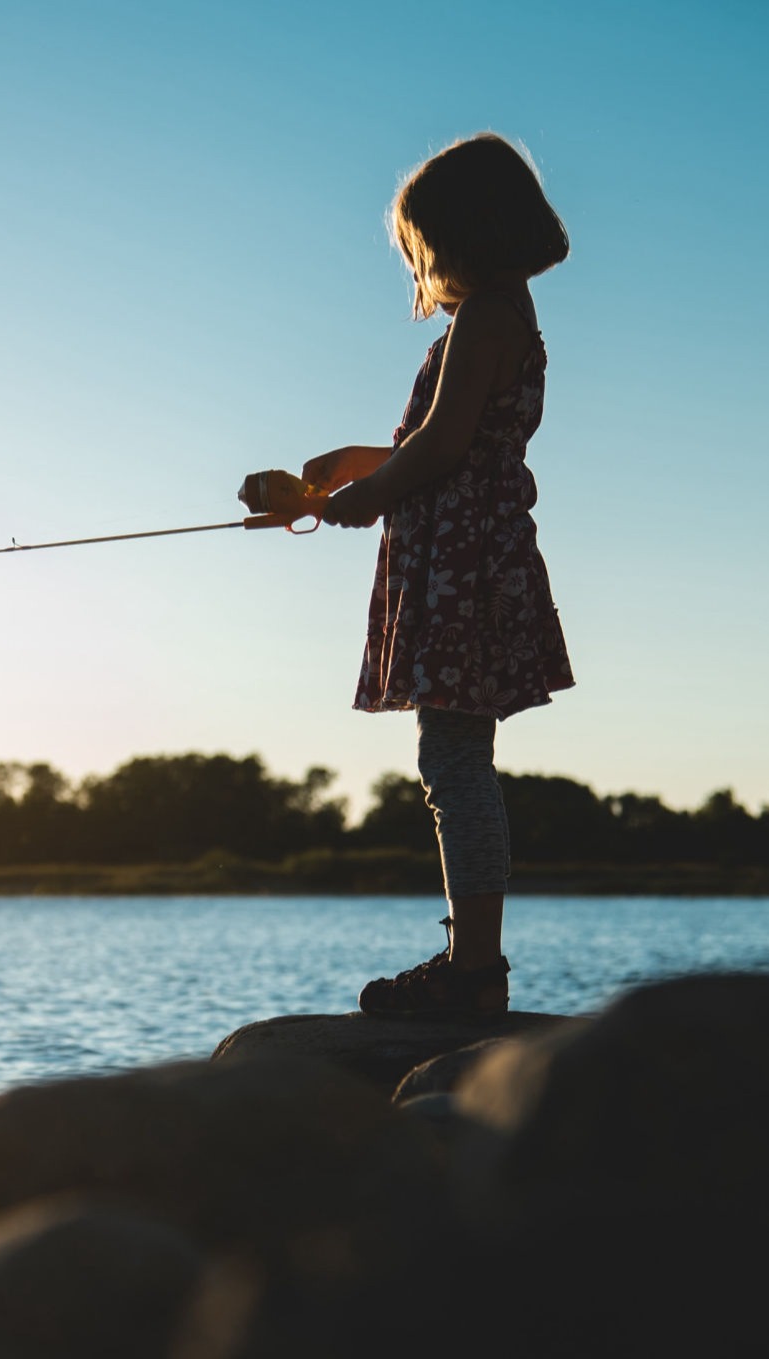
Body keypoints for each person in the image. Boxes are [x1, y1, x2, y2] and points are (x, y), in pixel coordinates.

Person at [301, 133, 574, 1018]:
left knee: (453, 758)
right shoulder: (501, 314)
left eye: (428, 247)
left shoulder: (490, 315)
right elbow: (445, 441)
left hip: (465, 563)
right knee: (456, 756)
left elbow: (447, 445)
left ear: (467, 235)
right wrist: (358, 467)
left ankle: (474, 972)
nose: (426, 266)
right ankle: (472, 961)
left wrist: (370, 497)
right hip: (468, 553)